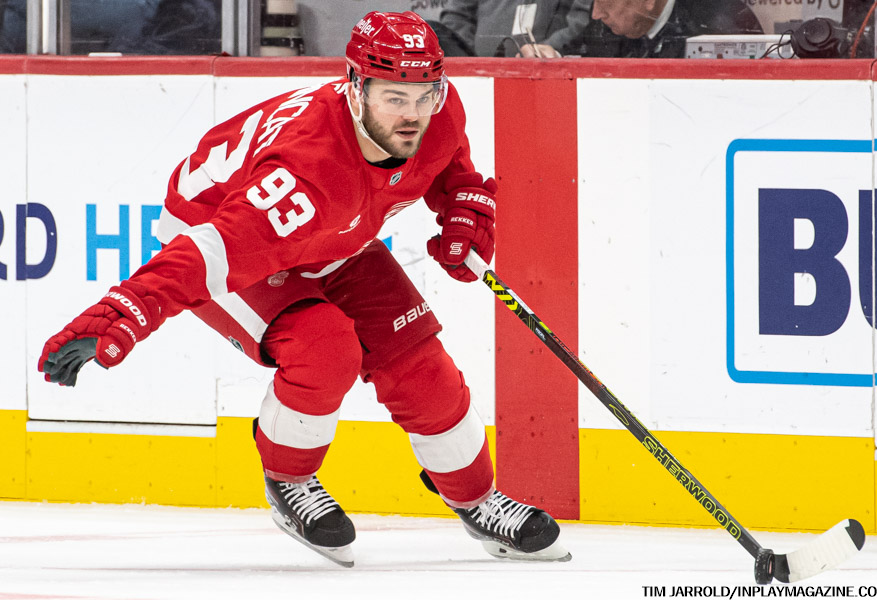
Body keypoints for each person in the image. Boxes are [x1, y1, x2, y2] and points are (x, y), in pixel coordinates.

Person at [37, 11, 570, 567]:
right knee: (324, 347)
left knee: (420, 367)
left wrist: (463, 208)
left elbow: (448, 163)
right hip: (223, 230)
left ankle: (477, 500)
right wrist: (119, 314)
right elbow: (206, 255)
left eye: (423, 96)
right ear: (355, 86)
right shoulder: (303, 173)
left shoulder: (437, 110)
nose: (412, 115)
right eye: (394, 98)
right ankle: (289, 480)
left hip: (334, 236)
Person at [566, 0, 763, 58]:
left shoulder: (722, 23)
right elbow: (578, 53)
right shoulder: (610, 21)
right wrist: (554, 55)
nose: (596, 14)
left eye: (606, 2)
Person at [435, 0, 591, 58]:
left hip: (548, 76)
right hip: (480, 79)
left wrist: (548, 51)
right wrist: (474, 60)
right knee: (433, 29)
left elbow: (585, 18)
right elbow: (456, 17)